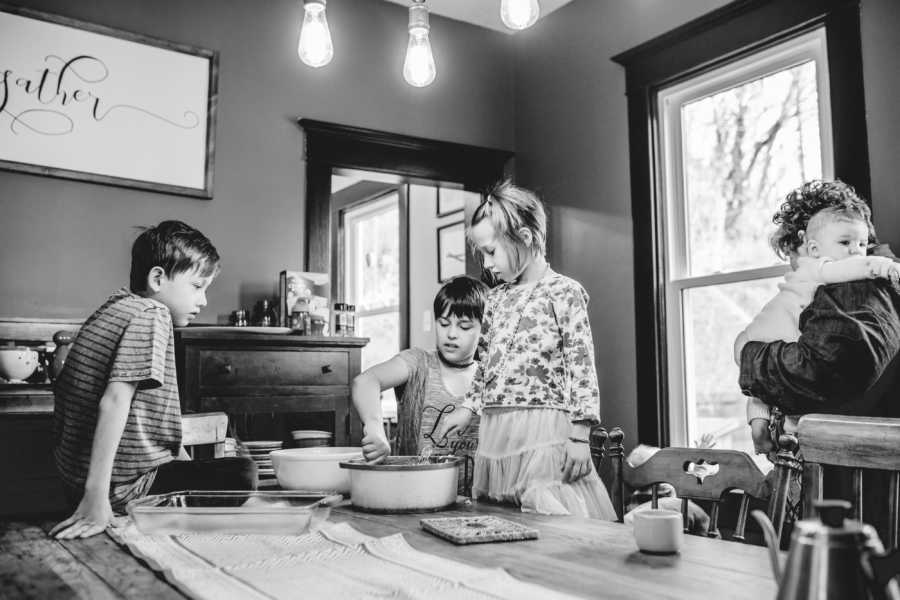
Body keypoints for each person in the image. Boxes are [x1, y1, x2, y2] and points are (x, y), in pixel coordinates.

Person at [50, 221, 257, 539]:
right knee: (243, 472)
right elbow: (114, 401)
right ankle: (132, 506)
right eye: (197, 286)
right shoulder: (152, 314)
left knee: (210, 467)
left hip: (75, 481)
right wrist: (97, 497)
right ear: (158, 278)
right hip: (119, 488)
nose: (203, 301)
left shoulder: (113, 309)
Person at [435, 181, 617, 519]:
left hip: (544, 428)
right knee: (504, 516)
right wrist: (467, 408)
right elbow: (486, 363)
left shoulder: (564, 292)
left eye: (491, 252)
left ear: (526, 237)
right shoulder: (496, 299)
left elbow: (582, 364)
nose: (486, 264)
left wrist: (580, 435)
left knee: (547, 512)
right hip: (497, 430)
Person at [733, 180, 900, 457]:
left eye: (792, 256)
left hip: (855, 465)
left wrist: (748, 355)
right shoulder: (858, 285)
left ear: (806, 243)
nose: (798, 269)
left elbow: (822, 371)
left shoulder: (854, 284)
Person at [351, 276, 488, 489]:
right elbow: (366, 381)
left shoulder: (490, 376)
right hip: (414, 493)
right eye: (443, 324)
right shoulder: (418, 363)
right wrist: (375, 427)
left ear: (484, 330)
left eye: (464, 327)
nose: (451, 334)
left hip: (474, 504)